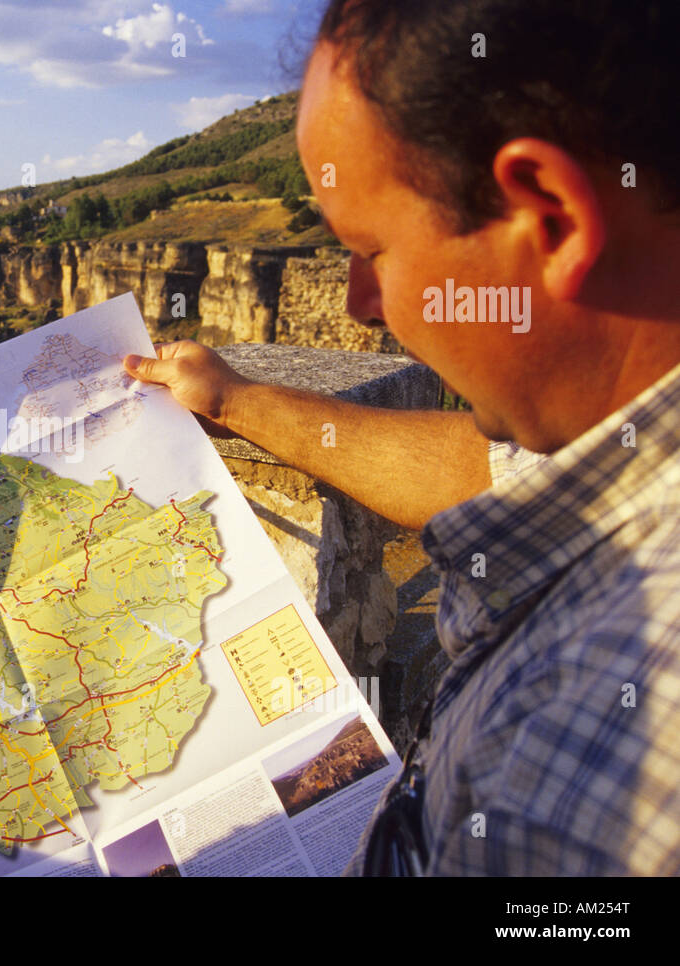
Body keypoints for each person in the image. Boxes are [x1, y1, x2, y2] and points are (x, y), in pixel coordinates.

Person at [126, 0, 680, 874]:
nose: (358, 301)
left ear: (552, 217)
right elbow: (489, 473)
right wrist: (231, 400)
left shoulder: (585, 781)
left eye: (371, 250)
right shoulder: (626, 435)